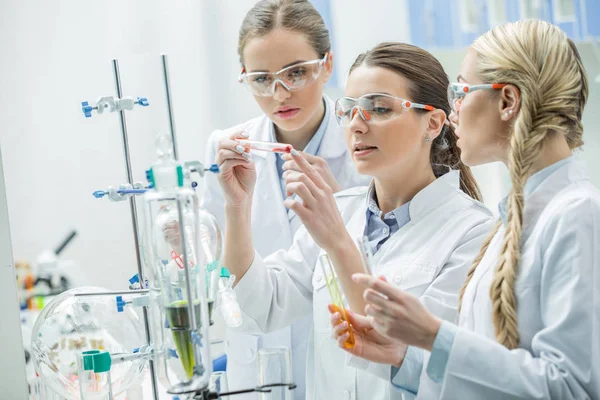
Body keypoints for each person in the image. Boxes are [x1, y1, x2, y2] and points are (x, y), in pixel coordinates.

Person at [330, 20, 599, 400]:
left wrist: (435, 337)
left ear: (507, 101)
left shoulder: (577, 214)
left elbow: (573, 389)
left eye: (460, 91)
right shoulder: (513, 223)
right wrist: (405, 357)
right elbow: (488, 371)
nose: (452, 110)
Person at [215, 41, 494, 399]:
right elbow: (258, 308)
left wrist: (339, 244)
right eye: (348, 111)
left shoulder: (475, 234)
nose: (357, 126)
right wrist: (237, 205)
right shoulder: (341, 211)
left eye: (378, 108)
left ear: (434, 122)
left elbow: (417, 363)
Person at [202, 1, 369, 397]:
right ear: (244, 77)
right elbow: (214, 273)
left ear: (326, 65)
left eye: (296, 73)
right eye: (262, 78)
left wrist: (340, 204)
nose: (280, 93)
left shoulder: (362, 149)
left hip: (337, 357)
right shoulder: (226, 151)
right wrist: (189, 247)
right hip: (254, 361)